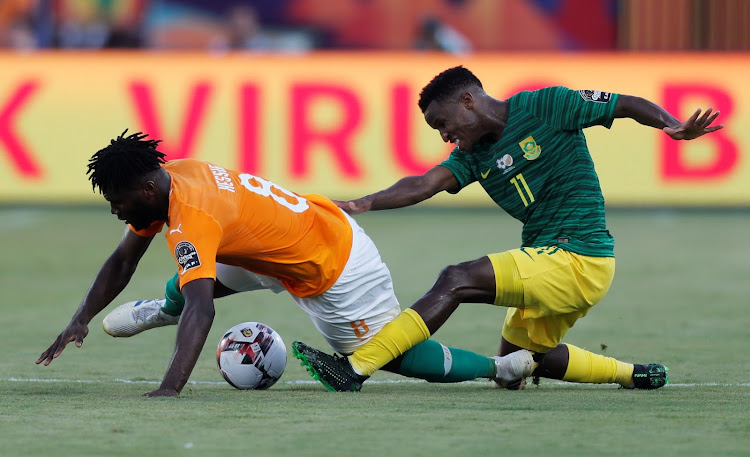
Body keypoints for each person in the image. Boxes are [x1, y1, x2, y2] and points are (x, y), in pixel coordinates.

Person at [291, 65, 725, 392]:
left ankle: (355, 369)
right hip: (559, 265)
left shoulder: (545, 106)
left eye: (442, 123)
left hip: (578, 256)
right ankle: (633, 375)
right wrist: (360, 203)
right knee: (519, 365)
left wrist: (671, 125)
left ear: (467, 100)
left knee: (456, 278)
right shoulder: (473, 154)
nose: (444, 136)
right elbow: (425, 184)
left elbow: (623, 104)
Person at [36, 130, 535, 396]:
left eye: (118, 200)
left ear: (146, 188)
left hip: (334, 263)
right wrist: (79, 317)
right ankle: (162, 307)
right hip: (269, 247)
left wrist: (170, 388)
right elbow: (124, 259)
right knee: (197, 276)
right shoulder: (170, 178)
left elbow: (204, 311)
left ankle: (497, 368)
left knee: (390, 354)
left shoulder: (192, 216)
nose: (115, 210)